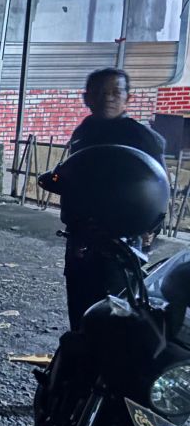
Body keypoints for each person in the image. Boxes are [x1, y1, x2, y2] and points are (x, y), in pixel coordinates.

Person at [59, 67, 166, 329]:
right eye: (100, 92)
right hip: (82, 236)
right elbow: (72, 180)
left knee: (115, 310)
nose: (108, 98)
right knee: (80, 307)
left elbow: (160, 187)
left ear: (128, 98)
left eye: (116, 92)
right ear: (87, 98)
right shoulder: (82, 133)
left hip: (124, 241)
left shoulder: (143, 138)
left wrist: (151, 228)